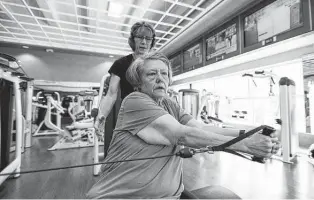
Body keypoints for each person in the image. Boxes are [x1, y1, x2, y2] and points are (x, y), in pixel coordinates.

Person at [86, 52, 281, 199]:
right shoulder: (135, 100)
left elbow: (201, 129)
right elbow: (182, 135)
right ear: (139, 82)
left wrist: (252, 133)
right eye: (151, 74)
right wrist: (245, 145)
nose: (160, 78)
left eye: (164, 74)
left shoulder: (170, 103)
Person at [94, 21, 156, 142]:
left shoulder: (156, 63)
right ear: (133, 40)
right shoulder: (121, 64)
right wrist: (101, 116)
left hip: (152, 114)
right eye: (140, 37)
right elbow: (111, 94)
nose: (144, 42)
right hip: (130, 115)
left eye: (148, 38)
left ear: (152, 41)